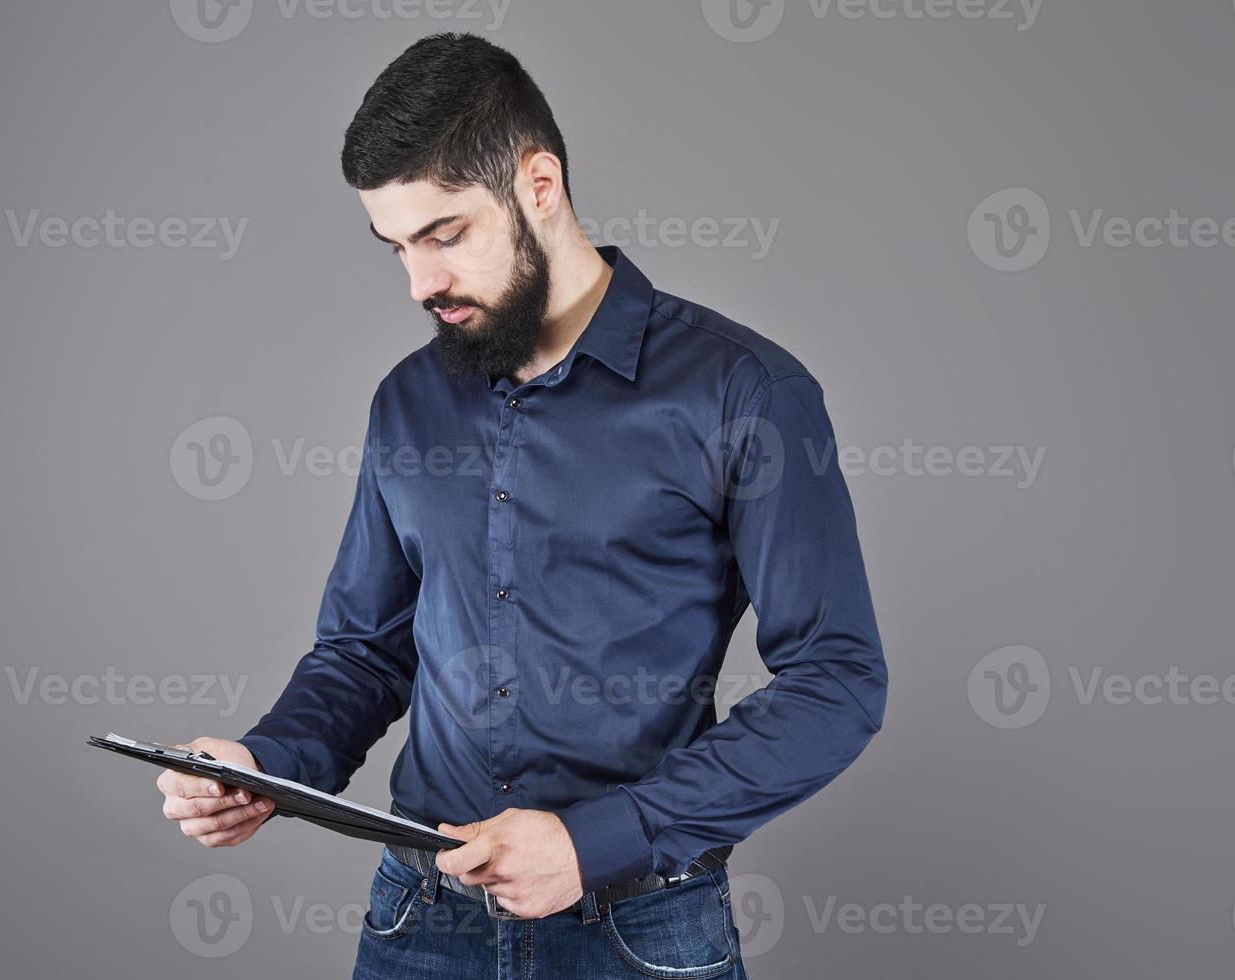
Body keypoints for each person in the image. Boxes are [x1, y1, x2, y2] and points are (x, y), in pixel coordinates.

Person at [155, 31, 888, 979]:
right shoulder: (407, 401)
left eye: (445, 235)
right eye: (396, 247)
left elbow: (836, 681)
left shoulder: (742, 392)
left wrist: (599, 840)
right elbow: (366, 648)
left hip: (639, 932)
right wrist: (267, 765)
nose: (421, 284)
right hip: (417, 922)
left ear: (538, 185)